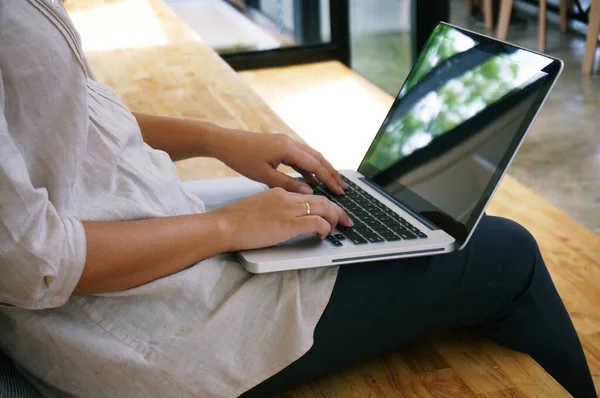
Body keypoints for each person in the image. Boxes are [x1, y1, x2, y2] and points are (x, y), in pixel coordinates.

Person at [0, 1, 595, 397]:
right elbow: (34, 262)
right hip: (140, 328)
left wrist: (217, 139)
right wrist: (228, 228)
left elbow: (67, 114)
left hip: (163, 246)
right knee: (506, 253)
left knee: (354, 210)